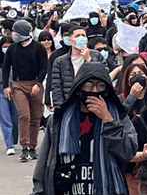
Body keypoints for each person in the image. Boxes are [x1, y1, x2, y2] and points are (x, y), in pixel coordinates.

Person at [27, 62, 137, 195]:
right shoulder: (59, 120)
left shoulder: (119, 117)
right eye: (88, 84)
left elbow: (128, 151)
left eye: (100, 85)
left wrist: (108, 119)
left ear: (107, 90)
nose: (94, 90)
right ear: (78, 89)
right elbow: (45, 163)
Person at [2, 20, 48, 161]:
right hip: (18, 84)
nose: (13, 35)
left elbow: (44, 67)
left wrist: (38, 83)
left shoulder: (38, 48)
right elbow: (6, 68)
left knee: (35, 117)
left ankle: (33, 147)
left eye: (16, 32)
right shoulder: (12, 49)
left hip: (35, 83)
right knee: (24, 116)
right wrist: (6, 86)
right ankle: (25, 146)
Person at [51, 25, 108, 108]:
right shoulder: (60, 61)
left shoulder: (97, 55)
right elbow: (57, 88)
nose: (81, 38)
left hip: (93, 102)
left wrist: (89, 60)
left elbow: (105, 76)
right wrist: (59, 108)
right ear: (70, 40)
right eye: (77, 36)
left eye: (83, 36)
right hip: (69, 103)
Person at [0, 35, 15, 155]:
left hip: (16, 87)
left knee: (15, 118)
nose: (7, 49)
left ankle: (14, 138)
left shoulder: (17, 57)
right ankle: (9, 144)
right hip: (1, 89)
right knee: (5, 118)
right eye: (4, 47)